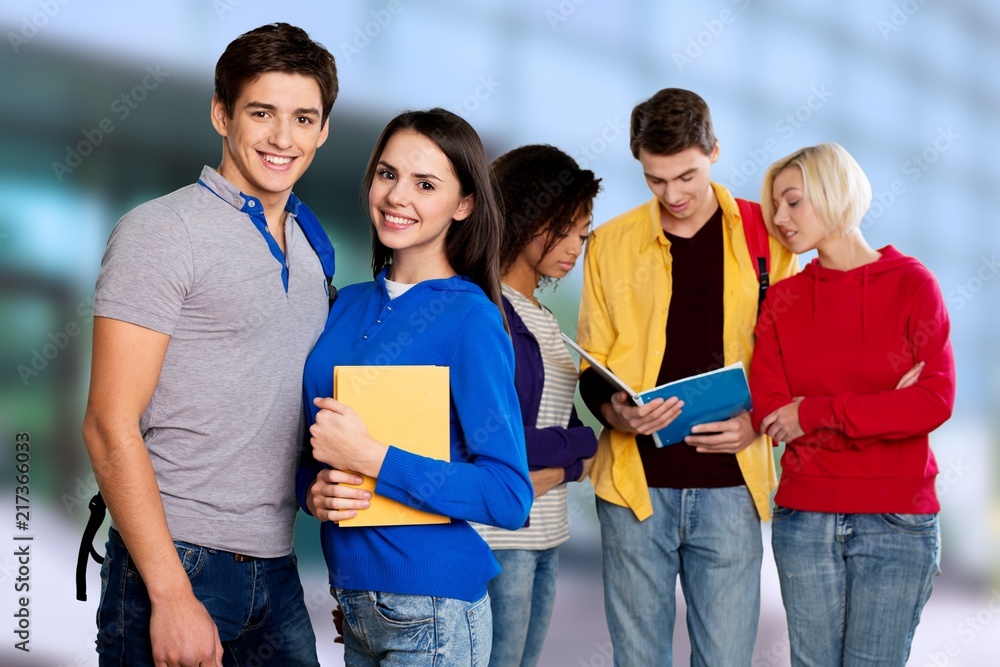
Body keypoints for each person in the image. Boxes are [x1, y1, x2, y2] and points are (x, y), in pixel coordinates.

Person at [82, 23, 341, 667]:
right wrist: (170, 595)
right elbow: (108, 426)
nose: (284, 138)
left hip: (278, 567)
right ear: (222, 114)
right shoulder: (162, 232)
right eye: (263, 113)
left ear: (323, 130)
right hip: (174, 560)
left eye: (303, 117)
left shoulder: (314, 249)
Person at [297, 108, 533, 667]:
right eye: (388, 174)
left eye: (426, 184)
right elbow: (315, 444)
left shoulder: (471, 321)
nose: (398, 196)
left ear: (463, 204)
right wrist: (313, 493)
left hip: (435, 608)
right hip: (355, 601)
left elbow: (508, 495)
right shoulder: (345, 305)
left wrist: (372, 457)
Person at [575, 88, 799, 666]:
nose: (672, 195)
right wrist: (617, 412)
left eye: (686, 177)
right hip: (633, 489)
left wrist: (756, 423)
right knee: (638, 659)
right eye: (655, 180)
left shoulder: (768, 239)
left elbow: (792, 359)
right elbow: (590, 366)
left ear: (716, 152)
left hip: (732, 491)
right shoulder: (610, 244)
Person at [750, 142, 956, 666]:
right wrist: (885, 405)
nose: (780, 217)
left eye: (793, 202)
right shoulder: (783, 300)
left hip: (897, 521)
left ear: (833, 193)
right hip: (805, 517)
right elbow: (771, 414)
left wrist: (814, 413)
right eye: (777, 205)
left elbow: (933, 402)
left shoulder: (913, 285)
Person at [474, 145, 600, 667]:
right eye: (564, 228)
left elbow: (552, 424)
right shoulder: (487, 309)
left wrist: (570, 455)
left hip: (546, 534)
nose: (574, 247)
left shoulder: (543, 316)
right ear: (525, 213)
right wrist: (587, 444)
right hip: (500, 537)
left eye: (583, 234)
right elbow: (499, 440)